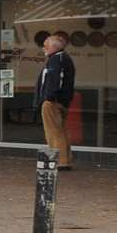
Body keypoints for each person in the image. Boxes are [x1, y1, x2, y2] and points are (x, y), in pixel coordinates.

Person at [37, 31, 77, 170]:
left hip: (53, 102)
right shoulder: (63, 58)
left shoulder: (57, 59)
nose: (43, 48)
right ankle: (66, 160)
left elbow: (55, 80)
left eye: (45, 45)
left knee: (54, 132)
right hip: (60, 100)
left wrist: (48, 97)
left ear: (54, 47)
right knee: (61, 130)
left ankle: (60, 161)